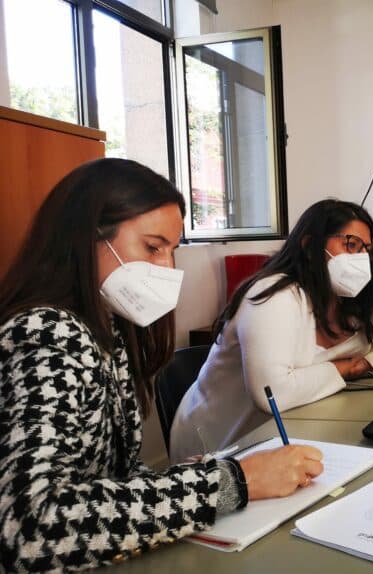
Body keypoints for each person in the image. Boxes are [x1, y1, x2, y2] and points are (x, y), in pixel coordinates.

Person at [0, 158, 324, 571]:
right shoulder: (45, 336)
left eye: (172, 251)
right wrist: (234, 482)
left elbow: (111, 478)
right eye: (153, 247)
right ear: (87, 237)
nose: (167, 268)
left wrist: (201, 476)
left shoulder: (108, 330)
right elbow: (29, 528)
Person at [169, 199, 373, 462]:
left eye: (367, 250)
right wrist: (344, 369)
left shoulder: (360, 296)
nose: (361, 259)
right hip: (219, 446)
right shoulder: (274, 297)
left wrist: (366, 363)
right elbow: (273, 394)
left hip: (296, 425)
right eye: (351, 245)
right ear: (310, 246)